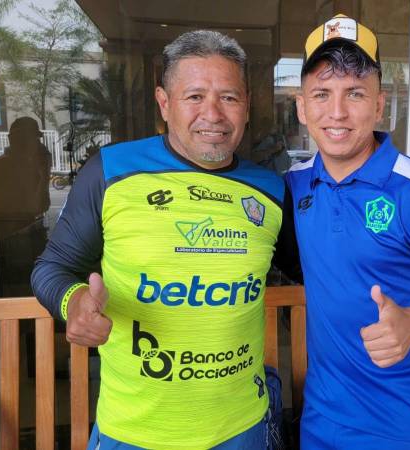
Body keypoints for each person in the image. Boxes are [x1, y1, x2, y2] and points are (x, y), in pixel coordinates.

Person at [32, 30, 291, 450]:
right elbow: (52, 266)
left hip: (241, 428)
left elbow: (316, 268)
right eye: (194, 97)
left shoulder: (270, 190)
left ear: (246, 106)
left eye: (229, 97)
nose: (214, 114)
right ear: (164, 103)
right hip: (135, 432)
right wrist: (73, 301)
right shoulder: (112, 171)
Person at [285, 14, 410, 449]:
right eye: (322, 93)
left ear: (379, 106)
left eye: (354, 93)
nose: (337, 112)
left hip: (404, 426)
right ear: (302, 107)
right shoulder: (296, 185)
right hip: (320, 424)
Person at [0, 116, 51, 296]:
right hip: (14, 239)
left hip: (24, 236)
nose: (37, 146)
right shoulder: (4, 166)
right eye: (33, 141)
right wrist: (43, 171)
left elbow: (43, 205)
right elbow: (35, 206)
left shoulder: (26, 166)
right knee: (22, 290)